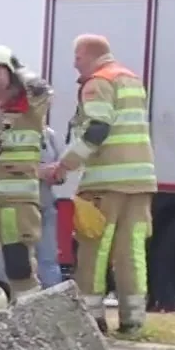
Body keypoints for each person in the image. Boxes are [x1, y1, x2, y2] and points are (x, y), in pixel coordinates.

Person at [39, 34, 157, 333]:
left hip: (107, 182)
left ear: (89, 55)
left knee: (95, 249)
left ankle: (92, 319)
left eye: (77, 58)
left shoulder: (98, 83)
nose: (75, 65)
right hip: (140, 182)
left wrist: (64, 165)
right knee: (131, 253)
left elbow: (97, 129)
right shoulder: (130, 80)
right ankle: (134, 320)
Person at [0, 45, 53, 306]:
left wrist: (19, 76)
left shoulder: (30, 103)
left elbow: (43, 89)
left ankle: (27, 310)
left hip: (16, 196)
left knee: (18, 258)